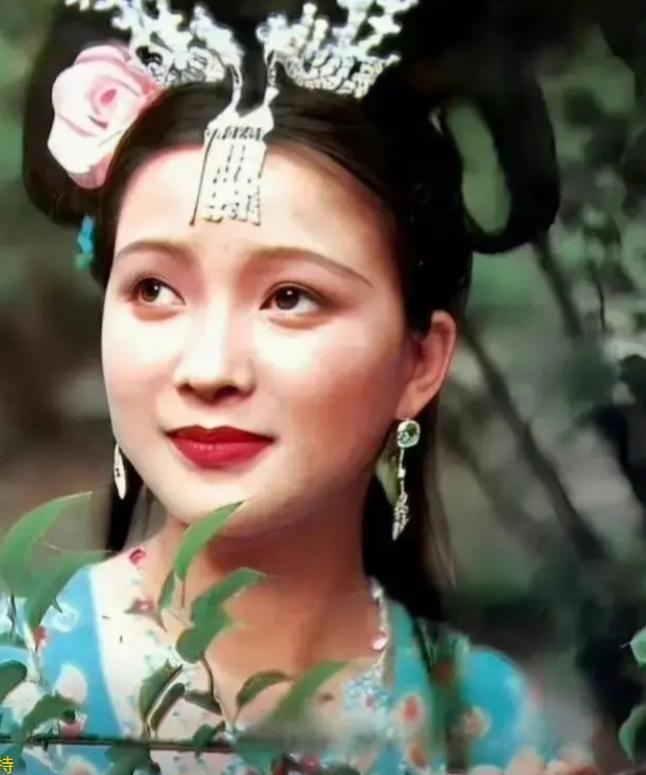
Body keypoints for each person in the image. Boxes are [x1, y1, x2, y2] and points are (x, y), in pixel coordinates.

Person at [0, 1, 596, 773]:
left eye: (291, 297)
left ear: (420, 362)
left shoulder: (500, 736)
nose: (209, 368)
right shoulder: (18, 686)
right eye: (154, 289)